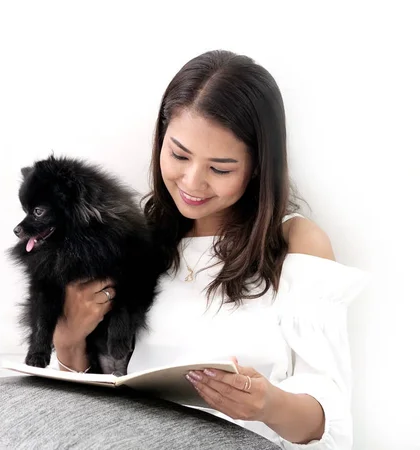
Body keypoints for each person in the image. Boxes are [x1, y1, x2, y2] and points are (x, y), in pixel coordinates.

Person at [50, 50, 367, 449]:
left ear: (256, 167)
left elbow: (330, 424)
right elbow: (80, 414)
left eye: (220, 168)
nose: (192, 182)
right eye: (179, 155)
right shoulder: (135, 241)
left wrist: (268, 404)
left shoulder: (295, 243)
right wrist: (68, 342)